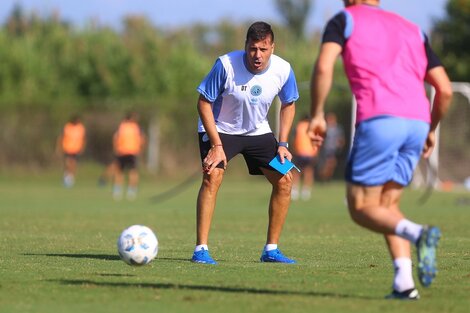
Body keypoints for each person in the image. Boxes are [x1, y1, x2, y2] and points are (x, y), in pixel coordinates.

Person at [308, 0, 452, 300]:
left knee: (360, 207)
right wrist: (431, 129)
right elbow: (445, 89)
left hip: (379, 119)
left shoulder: (344, 20)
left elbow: (323, 66)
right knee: (387, 206)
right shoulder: (413, 28)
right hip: (417, 122)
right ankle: (404, 283)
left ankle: (419, 234)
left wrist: (318, 113)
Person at [192, 21, 299, 265]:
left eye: (263, 49)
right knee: (212, 177)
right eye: (252, 49)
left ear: (272, 47)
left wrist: (283, 143)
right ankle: (201, 250)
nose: (257, 55)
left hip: (257, 132)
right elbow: (203, 103)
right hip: (220, 130)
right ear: (245, 46)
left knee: (285, 180)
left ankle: (271, 250)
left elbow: (289, 104)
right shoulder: (226, 65)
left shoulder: (283, 69)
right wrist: (217, 145)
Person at [112, 112, 146, 200]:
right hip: (133, 152)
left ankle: (117, 191)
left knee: (120, 172)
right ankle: (132, 191)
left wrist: (116, 148)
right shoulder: (136, 127)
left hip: (121, 151)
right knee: (133, 172)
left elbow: (115, 138)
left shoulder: (121, 126)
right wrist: (141, 149)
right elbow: (142, 139)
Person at [291, 115, 319, 201]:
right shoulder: (313, 128)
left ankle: (294, 190)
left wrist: (293, 149)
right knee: (308, 171)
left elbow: (294, 139)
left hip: (299, 151)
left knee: (296, 171)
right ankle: (306, 191)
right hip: (310, 153)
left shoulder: (298, 126)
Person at [57, 115, 86, 187]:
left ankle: (70, 178)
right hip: (67, 148)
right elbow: (61, 137)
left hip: (76, 149)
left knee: (74, 164)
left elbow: (83, 138)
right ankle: (67, 177)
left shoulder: (81, 128)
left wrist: (82, 147)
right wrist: (59, 146)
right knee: (68, 163)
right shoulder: (67, 127)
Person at [317, 112, 344, 181]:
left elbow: (341, 139)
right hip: (325, 149)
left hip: (333, 150)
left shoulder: (338, 128)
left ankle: (326, 177)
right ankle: (323, 177)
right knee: (325, 165)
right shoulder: (325, 128)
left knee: (331, 164)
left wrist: (340, 145)